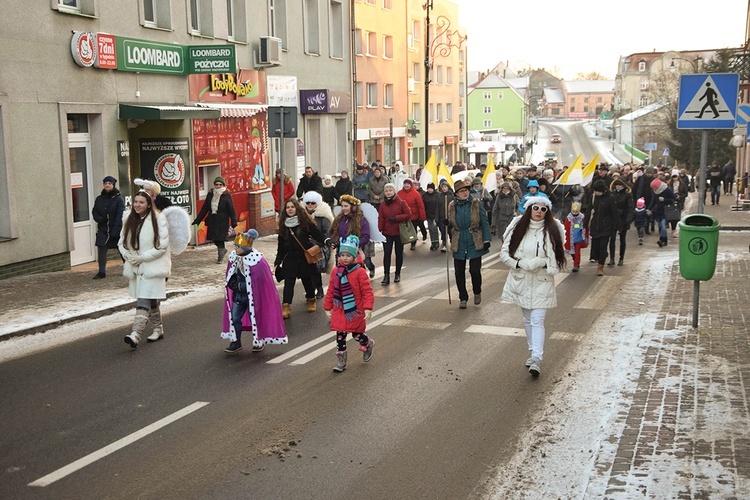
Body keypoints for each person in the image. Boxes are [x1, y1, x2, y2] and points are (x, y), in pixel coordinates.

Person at [499, 195, 567, 377]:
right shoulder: (517, 228)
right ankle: (532, 351)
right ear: (529, 209)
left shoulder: (553, 230)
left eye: (543, 209)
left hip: (542, 282)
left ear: (548, 211)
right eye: (535, 208)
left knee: (537, 320)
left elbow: (558, 260)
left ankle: (537, 357)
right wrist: (519, 264)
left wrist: (541, 262)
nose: (539, 212)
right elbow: (505, 254)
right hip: (521, 281)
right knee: (528, 319)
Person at [118, 190, 171, 348]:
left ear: (148, 204)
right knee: (150, 298)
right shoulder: (128, 218)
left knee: (143, 299)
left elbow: (162, 246)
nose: (137, 205)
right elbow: (121, 242)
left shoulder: (158, 218)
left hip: (153, 267)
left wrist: (143, 257)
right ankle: (158, 328)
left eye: (141, 202)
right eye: (136, 202)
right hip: (136, 267)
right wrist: (128, 255)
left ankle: (135, 334)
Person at [221, 229, 287, 354]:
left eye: (238, 246)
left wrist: (245, 287)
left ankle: (259, 341)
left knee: (255, 319)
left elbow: (262, 281)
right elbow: (230, 276)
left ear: (245, 247)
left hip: (254, 298)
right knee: (235, 318)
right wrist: (235, 285)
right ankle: (236, 342)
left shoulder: (257, 261)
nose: (235, 247)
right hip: (238, 297)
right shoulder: (234, 259)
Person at [324, 235, 375, 372]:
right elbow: (331, 290)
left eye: (348, 255)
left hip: (355, 310)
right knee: (340, 335)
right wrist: (327, 306)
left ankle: (368, 343)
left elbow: (367, 291)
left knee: (357, 335)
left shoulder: (360, 272)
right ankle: (341, 362)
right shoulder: (336, 271)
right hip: (340, 309)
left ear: (354, 256)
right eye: (343, 255)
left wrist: (368, 308)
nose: (345, 258)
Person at [274, 199, 327, 318]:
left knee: (307, 280)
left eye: (292, 207)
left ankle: (311, 299)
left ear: (297, 209)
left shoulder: (304, 222)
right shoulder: (283, 225)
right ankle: (286, 306)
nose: (290, 209)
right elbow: (281, 245)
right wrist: (278, 260)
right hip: (290, 258)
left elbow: (317, 234)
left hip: (304, 257)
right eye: (288, 207)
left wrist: (326, 240)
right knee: (289, 283)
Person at [447, 180, 491, 309]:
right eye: (461, 191)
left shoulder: (476, 204)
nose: (465, 192)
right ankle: (463, 298)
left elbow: (484, 222)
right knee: (459, 271)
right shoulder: (451, 205)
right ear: (456, 194)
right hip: (459, 240)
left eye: (466, 190)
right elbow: (450, 222)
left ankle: (477, 291)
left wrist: (486, 239)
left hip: (474, 239)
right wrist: (447, 223)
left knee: (474, 270)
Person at [192, 176, 237, 264]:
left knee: (220, 238)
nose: (218, 186)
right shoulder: (210, 194)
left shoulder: (226, 194)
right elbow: (205, 208)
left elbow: (231, 209)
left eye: (220, 184)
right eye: (216, 184)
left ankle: (220, 255)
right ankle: (222, 250)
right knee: (213, 238)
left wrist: (234, 221)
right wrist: (198, 219)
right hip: (212, 220)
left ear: (223, 185)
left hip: (222, 220)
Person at [92, 175, 125, 279]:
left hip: (115, 229)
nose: (107, 185)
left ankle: (129, 268)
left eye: (109, 184)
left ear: (113, 185)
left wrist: (115, 231)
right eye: (106, 183)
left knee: (122, 250)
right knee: (101, 248)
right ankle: (101, 272)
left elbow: (120, 216)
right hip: (103, 229)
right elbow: (94, 211)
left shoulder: (119, 199)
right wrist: (100, 219)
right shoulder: (99, 199)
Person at [377, 182, 411, 285]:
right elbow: (381, 218)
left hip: (398, 232)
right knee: (387, 254)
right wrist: (380, 230)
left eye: (390, 190)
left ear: (394, 191)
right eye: (386, 191)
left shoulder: (401, 202)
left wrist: (396, 218)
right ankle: (386, 275)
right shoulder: (382, 204)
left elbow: (408, 214)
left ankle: (397, 274)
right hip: (387, 232)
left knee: (398, 253)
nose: (388, 193)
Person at [303, 191, 334, 298]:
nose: (310, 205)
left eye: (313, 203)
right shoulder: (302, 216)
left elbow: (327, 232)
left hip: (319, 247)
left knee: (316, 269)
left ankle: (319, 289)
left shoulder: (323, 216)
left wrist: (318, 242)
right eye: (308, 203)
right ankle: (310, 290)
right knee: (306, 270)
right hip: (305, 247)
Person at [585, 179, 620, 276]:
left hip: (606, 226)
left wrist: (618, 226)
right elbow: (588, 211)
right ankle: (602, 256)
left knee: (603, 247)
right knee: (595, 247)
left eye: (597, 191)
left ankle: (600, 268)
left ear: (603, 190)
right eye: (594, 190)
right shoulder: (593, 197)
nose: (596, 192)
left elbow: (614, 213)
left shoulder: (610, 198)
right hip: (595, 225)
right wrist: (585, 224)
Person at [329, 193, 371, 271]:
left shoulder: (360, 220)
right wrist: (333, 241)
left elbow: (366, 236)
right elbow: (332, 232)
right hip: (341, 254)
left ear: (353, 207)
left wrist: (353, 244)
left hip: (355, 254)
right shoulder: (339, 219)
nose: (343, 208)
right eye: (342, 206)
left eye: (346, 206)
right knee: (340, 278)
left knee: (354, 278)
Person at [609, 178, 634, 266]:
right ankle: (612, 258)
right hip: (613, 219)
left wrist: (628, 220)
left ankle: (621, 258)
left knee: (622, 240)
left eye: (620, 185)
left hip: (623, 219)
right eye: (617, 185)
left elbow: (630, 208)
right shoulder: (612, 194)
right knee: (612, 239)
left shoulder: (627, 195)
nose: (618, 187)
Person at [398, 178, 427, 250]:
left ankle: (413, 243)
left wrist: (422, 216)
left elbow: (421, 206)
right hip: (403, 216)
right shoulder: (399, 193)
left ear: (411, 185)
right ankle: (402, 245)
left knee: (413, 230)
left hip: (413, 215)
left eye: (408, 184)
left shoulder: (416, 193)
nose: (406, 185)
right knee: (402, 231)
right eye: (405, 184)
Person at [647, 178, 675, 248]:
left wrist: (664, 200)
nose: (654, 190)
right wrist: (649, 209)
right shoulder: (655, 192)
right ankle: (664, 240)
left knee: (663, 225)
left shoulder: (667, 190)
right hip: (659, 211)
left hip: (666, 210)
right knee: (661, 225)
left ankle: (662, 239)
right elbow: (653, 201)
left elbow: (673, 199)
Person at [563, 202, 587, 272]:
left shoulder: (581, 218)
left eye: (576, 211)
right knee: (572, 252)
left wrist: (583, 236)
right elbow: (566, 228)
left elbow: (584, 228)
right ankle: (575, 261)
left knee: (577, 252)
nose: (574, 213)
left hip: (578, 239)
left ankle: (576, 265)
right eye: (573, 211)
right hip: (571, 239)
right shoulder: (568, 218)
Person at [667, 170, 688, 238]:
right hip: (671, 202)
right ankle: (673, 228)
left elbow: (685, 193)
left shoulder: (682, 184)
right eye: (673, 177)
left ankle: (674, 229)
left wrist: (680, 196)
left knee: (676, 216)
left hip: (679, 202)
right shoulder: (669, 184)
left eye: (675, 177)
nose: (674, 178)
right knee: (671, 215)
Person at [422, 183, 441, 250]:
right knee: (430, 229)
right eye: (428, 188)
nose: (430, 190)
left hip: (435, 214)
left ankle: (436, 242)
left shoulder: (438, 195)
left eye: (431, 188)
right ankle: (433, 242)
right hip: (428, 215)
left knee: (434, 228)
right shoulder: (425, 196)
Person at [437, 179, 454, 253]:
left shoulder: (451, 196)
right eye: (442, 187)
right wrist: (437, 218)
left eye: (445, 187)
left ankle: (452, 242)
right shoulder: (439, 196)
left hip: (450, 217)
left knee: (450, 231)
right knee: (443, 231)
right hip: (442, 217)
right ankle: (444, 243)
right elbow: (437, 208)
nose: (444, 188)